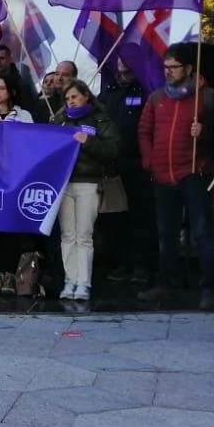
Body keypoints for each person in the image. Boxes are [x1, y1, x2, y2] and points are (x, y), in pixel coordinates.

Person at [138, 43, 214, 310]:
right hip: (162, 175)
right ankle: (166, 284)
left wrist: (206, 131)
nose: (168, 72)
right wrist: (150, 162)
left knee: (203, 233)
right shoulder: (156, 98)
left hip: (194, 174)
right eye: (165, 67)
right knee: (166, 234)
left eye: (173, 67)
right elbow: (144, 132)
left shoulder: (207, 96)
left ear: (188, 68)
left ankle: (211, 288)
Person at [52, 81, 120, 302]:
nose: (71, 101)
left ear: (86, 96)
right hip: (63, 184)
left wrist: (88, 142)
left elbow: (112, 150)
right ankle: (70, 280)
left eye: (74, 97)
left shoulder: (101, 120)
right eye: (67, 98)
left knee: (84, 235)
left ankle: (84, 283)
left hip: (88, 184)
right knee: (67, 235)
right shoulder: (59, 121)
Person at [0, 76, 38, 295]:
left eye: (2, 88)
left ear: (11, 91)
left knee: (12, 227)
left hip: (16, 179)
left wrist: (9, 128)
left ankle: (11, 274)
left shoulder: (24, 116)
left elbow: (30, 141)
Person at [100, 63, 155, 283]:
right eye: (119, 58)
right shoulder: (108, 92)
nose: (122, 62)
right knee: (117, 217)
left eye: (127, 58)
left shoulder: (145, 90)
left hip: (138, 164)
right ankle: (122, 263)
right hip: (113, 164)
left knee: (141, 216)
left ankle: (142, 265)